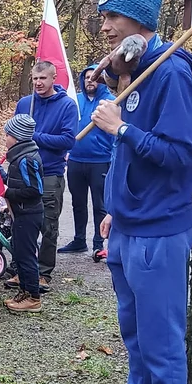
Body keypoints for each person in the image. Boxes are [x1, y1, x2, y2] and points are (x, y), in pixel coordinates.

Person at [83, 0, 192, 384]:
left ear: (140, 19)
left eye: (112, 16)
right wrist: (114, 210)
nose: (104, 26)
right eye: (103, 17)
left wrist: (121, 127)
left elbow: (178, 155)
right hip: (128, 224)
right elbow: (128, 160)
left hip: (160, 228)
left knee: (160, 332)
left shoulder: (171, 72)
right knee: (134, 329)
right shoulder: (135, 68)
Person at [13, 61, 76, 291]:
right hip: (23, 172)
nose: (39, 83)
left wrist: (35, 136)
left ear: (53, 78)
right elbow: (14, 134)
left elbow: (68, 141)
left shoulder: (67, 106)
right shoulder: (24, 104)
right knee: (21, 223)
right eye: (35, 78)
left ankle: (43, 272)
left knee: (47, 224)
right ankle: (21, 269)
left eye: (43, 78)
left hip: (50, 173)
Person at [60, 64, 115, 259]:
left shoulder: (111, 101)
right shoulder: (75, 101)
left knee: (100, 204)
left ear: (101, 79)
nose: (90, 80)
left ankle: (98, 243)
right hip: (75, 159)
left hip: (100, 160)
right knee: (78, 202)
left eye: (94, 77)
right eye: (86, 77)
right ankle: (79, 240)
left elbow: (115, 133)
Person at [1, 114, 44, 313]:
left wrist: (7, 192)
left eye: (7, 134)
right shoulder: (19, 157)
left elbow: (35, 190)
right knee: (19, 253)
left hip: (29, 215)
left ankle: (33, 298)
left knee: (26, 257)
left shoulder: (27, 159)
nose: (5, 138)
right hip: (20, 214)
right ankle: (24, 291)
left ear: (17, 137)